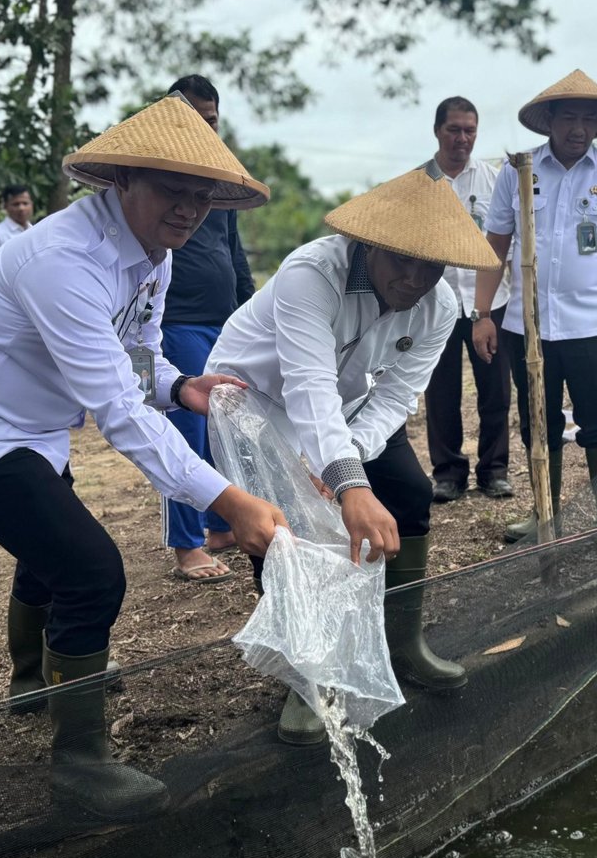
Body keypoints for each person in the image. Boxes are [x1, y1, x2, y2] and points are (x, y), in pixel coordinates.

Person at [0, 96, 287, 821]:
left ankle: (33, 682)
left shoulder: (153, 258)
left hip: (32, 426)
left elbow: (139, 362)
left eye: (203, 195)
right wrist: (228, 502)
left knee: (50, 548)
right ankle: (78, 762)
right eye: (174, 188)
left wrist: (181, 384)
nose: (189, 208)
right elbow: (120, 412)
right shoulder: (59, 260)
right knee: (90, 569)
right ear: (124, 181)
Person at [208, 166, 501, 744]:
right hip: (255, 401)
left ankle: (402, 643)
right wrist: (347, 484)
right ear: (369, 244)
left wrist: (350, 465)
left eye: (432, 265)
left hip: (348, 407)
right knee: (284, 531)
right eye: (403, 261)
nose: (415, 279)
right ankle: (308, 675)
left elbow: (396, 393)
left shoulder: (439, 305)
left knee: (413, 493)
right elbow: (306, 385)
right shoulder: (312, 273)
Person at [471, 69, 597, 544]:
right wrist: (484, 313)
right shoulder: (519, 172)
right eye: (569, 117)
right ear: (549, 120)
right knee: (539, 420)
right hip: (525, 326)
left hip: (592, 325)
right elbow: (495, 246)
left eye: (588, 120)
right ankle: (544, 515)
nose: (578, 129)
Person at [156, 75, 257, 583]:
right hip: (178, 321)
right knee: (189, 429)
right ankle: (187, 544)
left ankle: (221, 527)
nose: (205, 128)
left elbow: (234, 249)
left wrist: (251, 308)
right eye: (195, 118)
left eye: (212, 121)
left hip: (227, 322)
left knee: (228, 426)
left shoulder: (221, 176)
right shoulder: (162, 176)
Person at [419, 95, 514, 504]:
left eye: (470, 130)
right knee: (440, 392)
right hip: (435, 302)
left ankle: (494, 470)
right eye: (454, 129)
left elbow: (509, 241)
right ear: (437, 130)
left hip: (490, 302)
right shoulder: (420, 183)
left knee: (495, 388)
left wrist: (485, 309)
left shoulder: (494, 180)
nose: (462, 138)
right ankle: (448, 472)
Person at [0, 185, 34, 267]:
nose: (21, 208)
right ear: (5, 206)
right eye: (16, 204)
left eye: (25, 203)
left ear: (31, 205)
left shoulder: (36, 231)